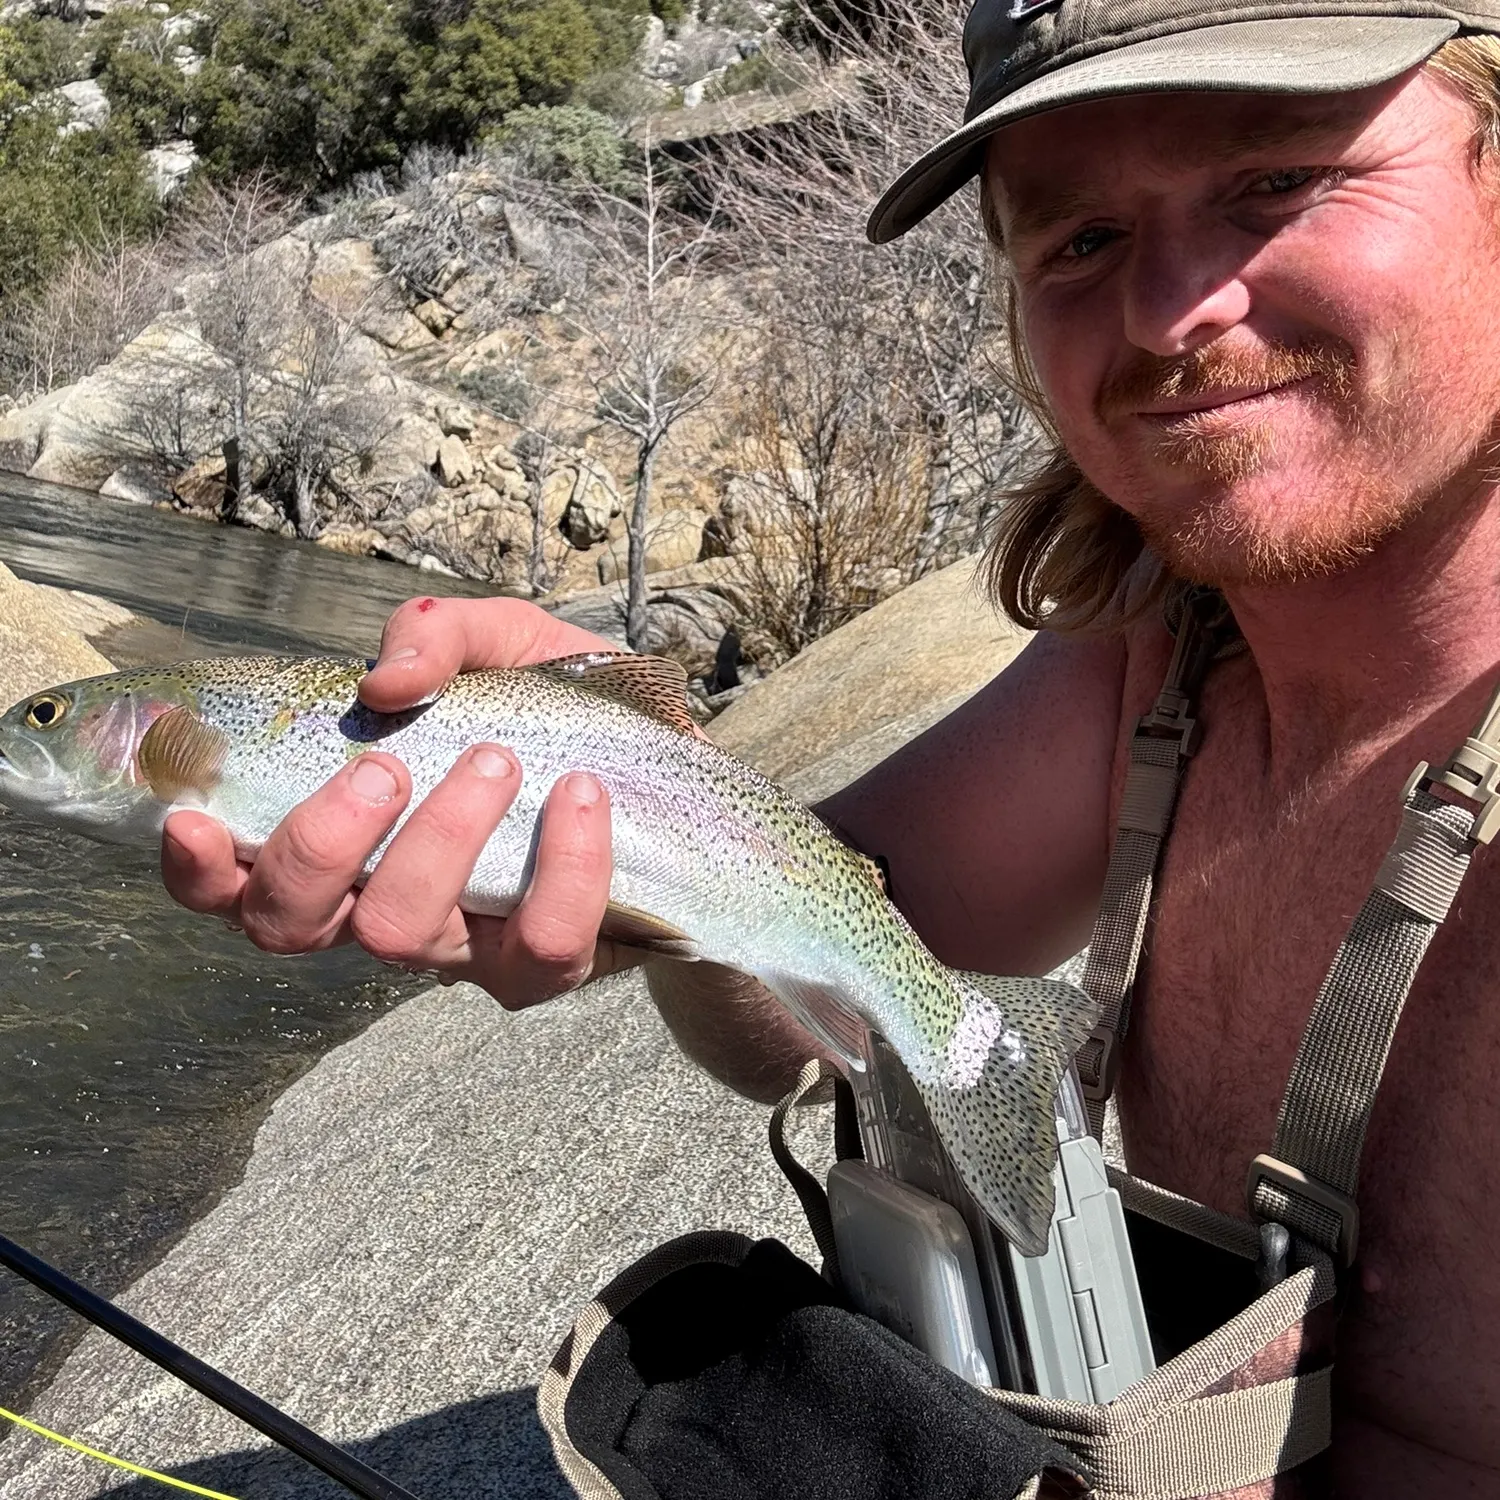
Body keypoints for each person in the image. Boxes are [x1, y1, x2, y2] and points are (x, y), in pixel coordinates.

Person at [159, 1, 1500, 1492]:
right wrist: (609, 807)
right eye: (1079, 243)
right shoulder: (1161, 657)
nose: (1165, 310)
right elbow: (799, 989)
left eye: (1276, 183)